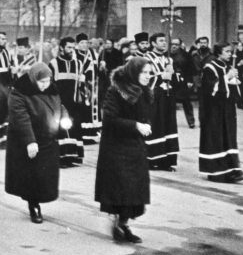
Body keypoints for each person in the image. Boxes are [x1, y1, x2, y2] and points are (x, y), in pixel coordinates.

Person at [95, 57, 153, 243]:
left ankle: (124, 224)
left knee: (134, 189)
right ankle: (119, 225)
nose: (148, 76)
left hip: (135, 146)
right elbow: (110, 119)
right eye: (144, 72)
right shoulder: (117, 90)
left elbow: (144, 115)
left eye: (149, 72)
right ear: (133, 72)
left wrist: (146, 124)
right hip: (116, 147)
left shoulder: (143, 91)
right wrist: (136, 125)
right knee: (122, 188)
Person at [5, 62, 69, 224]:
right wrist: (30, 141)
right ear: (34, 79)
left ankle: (39, 200)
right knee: (32, 176)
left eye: (48, 81)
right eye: (42, 82)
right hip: (29, 139)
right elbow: (20, 117)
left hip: (48, 138)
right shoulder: (20, 91)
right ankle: (33, 206)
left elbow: (60, 106)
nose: (45, 85)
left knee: (45, 176)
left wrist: (65, 118)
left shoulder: (51, 89)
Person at [199, 43, 243, 183]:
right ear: (218, 53)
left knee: (228, 137)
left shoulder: (228, 66)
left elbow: (232, 90)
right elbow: (210, 88)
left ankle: (231, 170)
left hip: (227, 109)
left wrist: (234, 79)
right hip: (213, 110)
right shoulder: (210, 67)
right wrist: (226, 77)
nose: (230, 54)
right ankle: (215, 172)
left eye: (230, 52)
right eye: (226, 52)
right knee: (216, 138)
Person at [144, 33, 180, 172]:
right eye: (161, 41)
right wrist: (161, 77)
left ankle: (167, 161)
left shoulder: (168, 59)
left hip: (167, 97)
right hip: (154, 98)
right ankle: (152, 160)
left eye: (165, 41)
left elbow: (175, 80)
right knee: (156, 126)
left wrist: (174, 74)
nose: (164, 43)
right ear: (153, 43)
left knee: (168, 126)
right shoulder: (146, 59)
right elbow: (143, 78)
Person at [49, 36, 84, 168]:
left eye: (73, 48)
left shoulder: (78, 64)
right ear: (61, 48)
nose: (71, 50)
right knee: (62, 130)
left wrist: (82, 94)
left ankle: (73, 157)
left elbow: (81, 83)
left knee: (74, 129)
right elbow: (49, 85)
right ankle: (62, 158)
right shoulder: (53, 64)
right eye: (69, 47)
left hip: (74, 104)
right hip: (60, 104)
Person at [75, 33, 101, 143]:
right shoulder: (74, 54)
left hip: (92, 86)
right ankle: (83, 134)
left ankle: (92, 133)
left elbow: (95, 68)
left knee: (92, 109)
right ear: (77, 44)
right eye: (82, 43)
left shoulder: (91, 53)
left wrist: (101, 67)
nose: (84, 45)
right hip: (80, 86)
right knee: (83, 109)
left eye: (86, 43)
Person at [171, 38, 195, 128]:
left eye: (176, 44)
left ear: (180, 45)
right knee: (171, 103)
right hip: (171, 81)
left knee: (186, 102)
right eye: (172, 44)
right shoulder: (167, 54)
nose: (174, 46)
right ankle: (171, 122)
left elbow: (190, 69)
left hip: (183, 81)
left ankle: (191, 121)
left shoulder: (186, 55)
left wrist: (189, 81)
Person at [191, 36, 215, 122]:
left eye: (205, 43)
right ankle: (202, 120)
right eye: (201, 43)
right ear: (199, 43)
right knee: (201, 101)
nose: (203, 44)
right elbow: (191, 67)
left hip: (209, 80)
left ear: (207, 43)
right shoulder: (194, 54)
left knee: (210, 100)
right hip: (199, 80)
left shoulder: (212, 54)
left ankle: (210, 119)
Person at [235, 41, 243, 110]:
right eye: (238, 46)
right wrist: (239, 64)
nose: (239, 47)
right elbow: (233, 65)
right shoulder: (235, 54)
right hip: (238, 74)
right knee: (239, 88)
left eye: (241, 46)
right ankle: (239, 102)